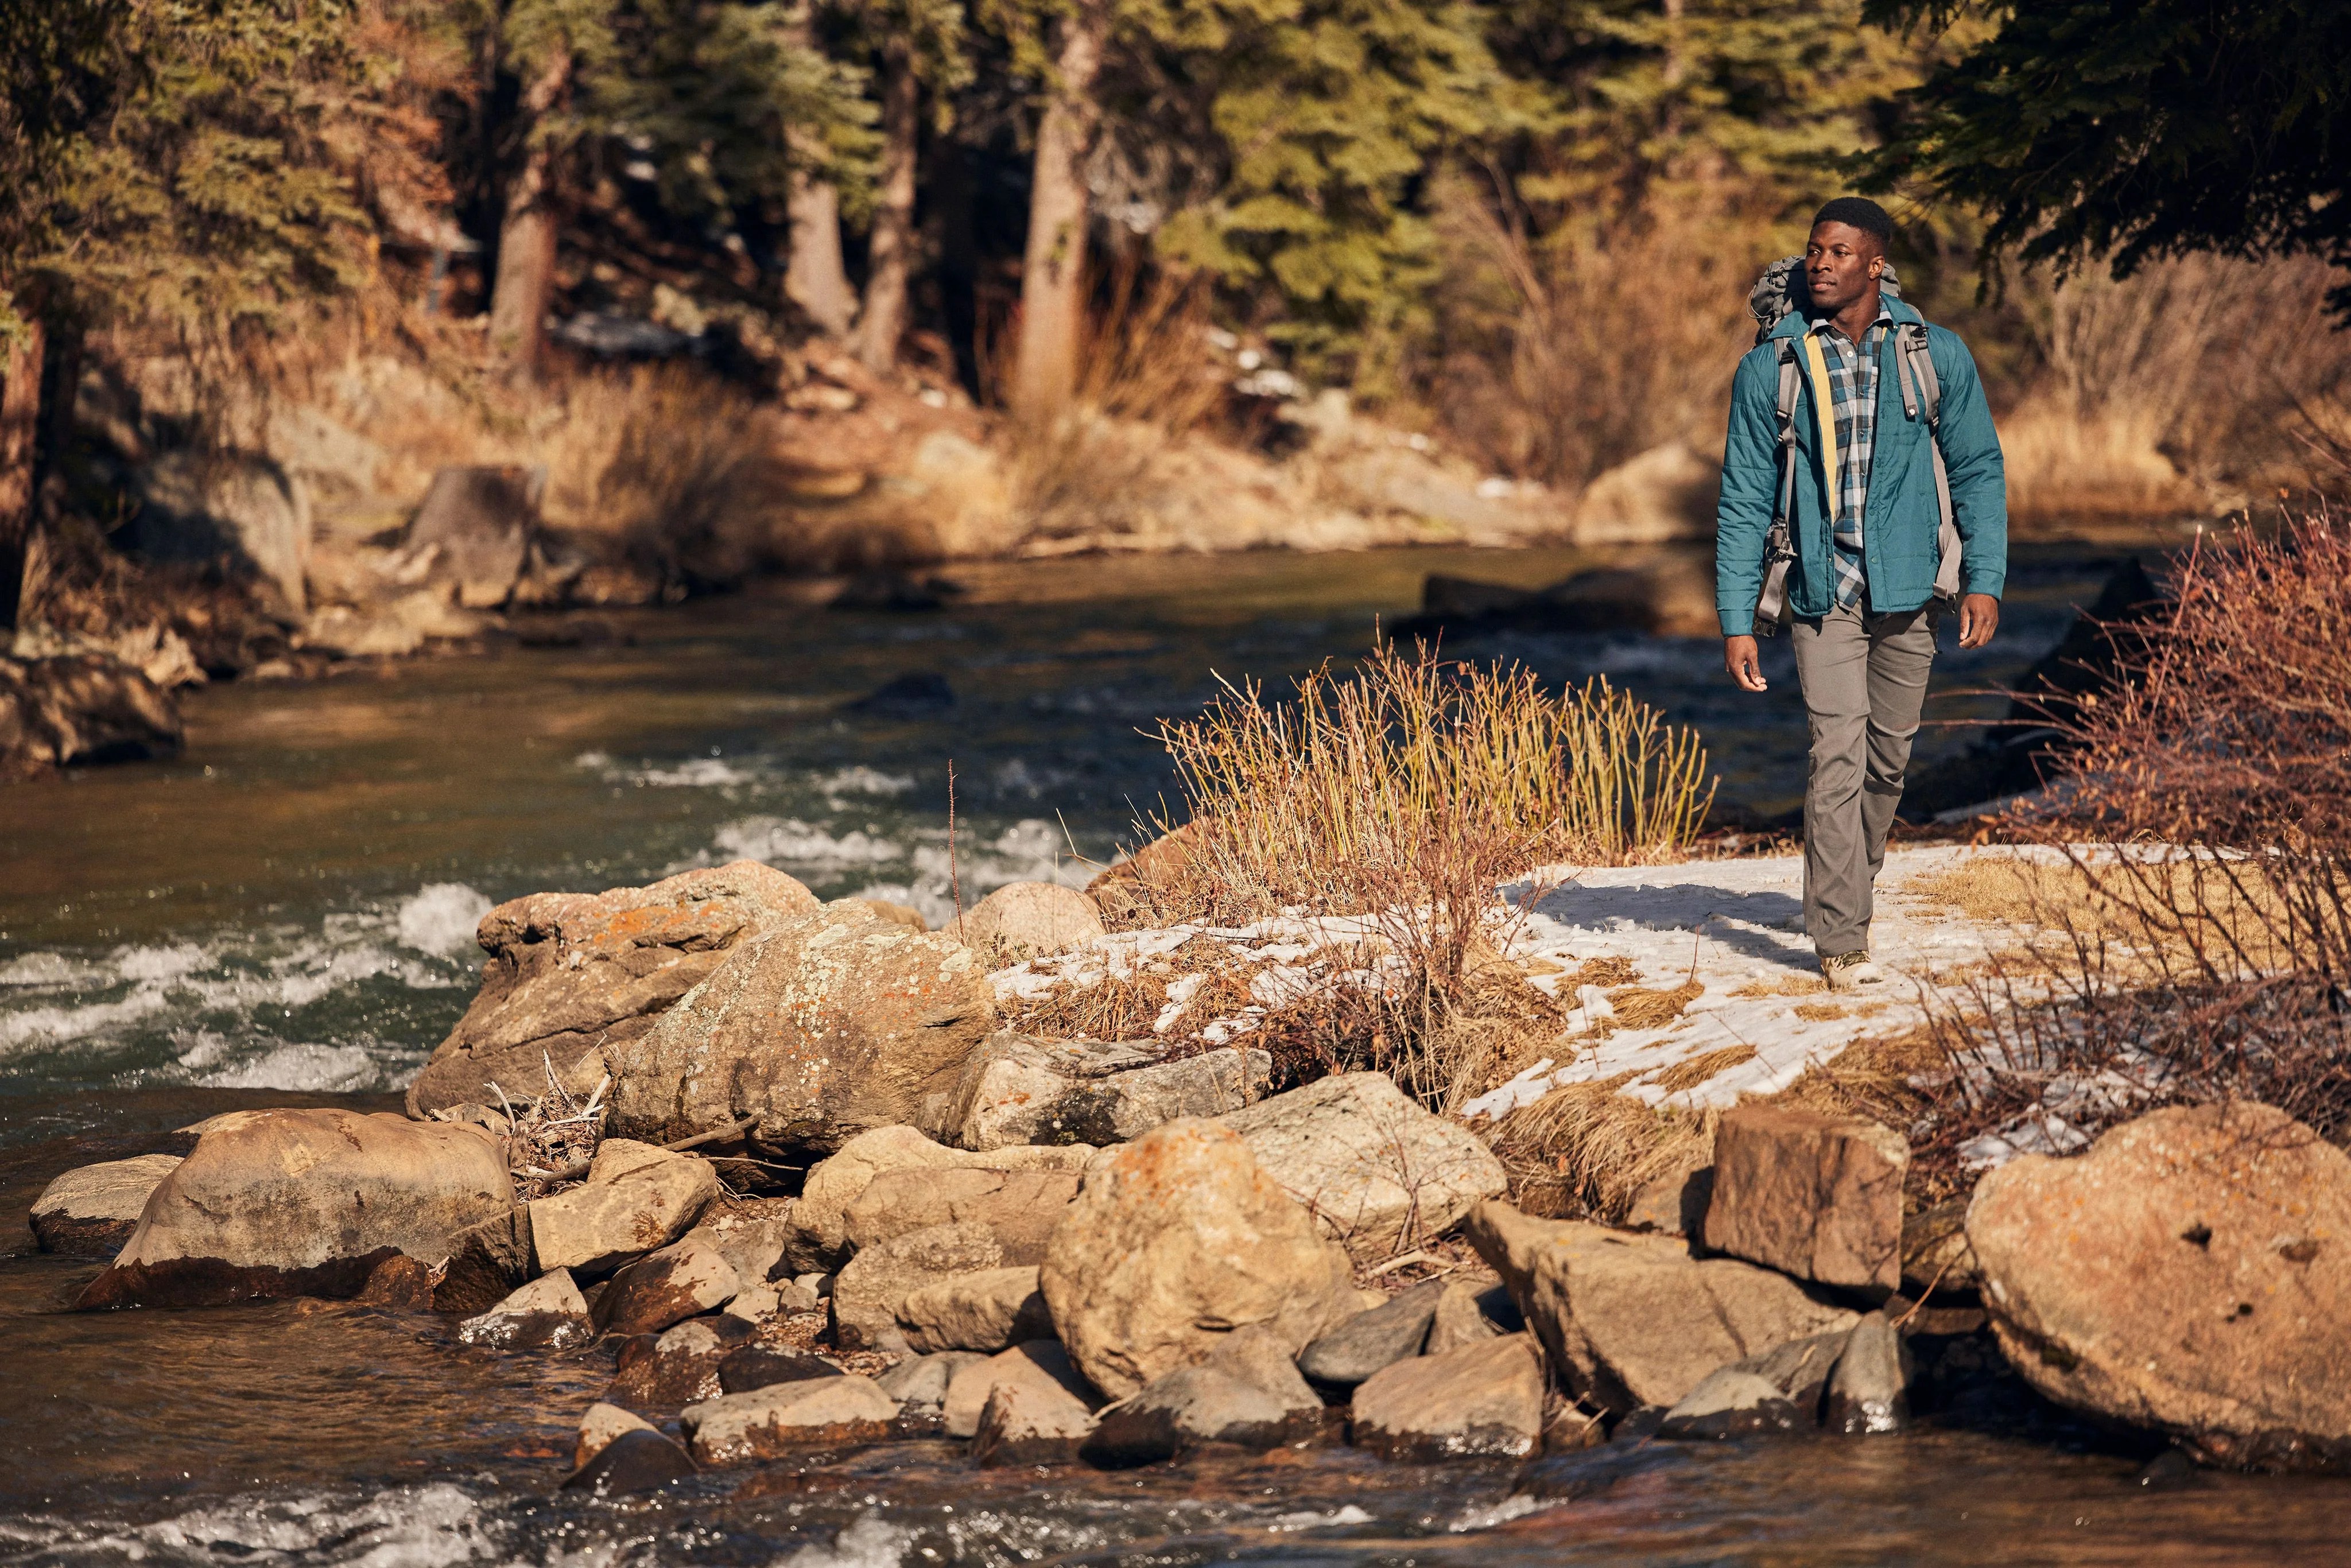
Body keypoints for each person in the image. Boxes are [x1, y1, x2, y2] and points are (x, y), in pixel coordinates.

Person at [1714, 196, 2008, 991]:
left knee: (1888, 760)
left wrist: (1983, 579)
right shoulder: (1771, 368)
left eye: (1839, 252)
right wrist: (1738, 618)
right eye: (1815, 249)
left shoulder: (1933, 355)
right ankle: (1841, 938)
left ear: (1875, 265)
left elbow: (1978, 469)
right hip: (1821, 590)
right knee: (1836, 754)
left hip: (1910, 587)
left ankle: (1850, 881)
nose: (1821, 263)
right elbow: (1743, 498)